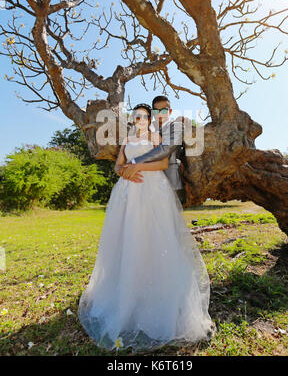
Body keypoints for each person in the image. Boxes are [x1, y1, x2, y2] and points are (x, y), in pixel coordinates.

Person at [77, 103, 215, 353]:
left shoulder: (155, 136)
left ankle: (159, 293)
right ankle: (128, 289)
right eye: (136, 115)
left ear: (149, 119)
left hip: (153, 191)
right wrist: (124, 171)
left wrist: (137, 166)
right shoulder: (127, 139)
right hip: (128, 192)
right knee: (130, 237)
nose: (139, 118)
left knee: (155, 238)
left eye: (143, 116)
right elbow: (118, 166)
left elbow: (162, 164)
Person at [119, 96, 186, 205]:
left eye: (164, 110)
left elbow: (165, 149)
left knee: (169, 216)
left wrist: (135, 162)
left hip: (170, 178)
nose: (160, 113)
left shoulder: (176, 126)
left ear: (170, 111)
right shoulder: (150, 130)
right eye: (156, 111)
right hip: (147, 180)